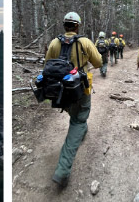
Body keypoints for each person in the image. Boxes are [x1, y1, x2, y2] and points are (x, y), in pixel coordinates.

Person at [45, 12, 104, 189]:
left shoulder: (55, 43)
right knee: (79, 120)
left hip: (62, 91)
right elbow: (99, 62)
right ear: (77, 26)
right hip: (81, 89)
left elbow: (47, 65)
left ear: (65, 25)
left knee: (75, 116)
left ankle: (82, 130)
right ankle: (63, 169)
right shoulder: (85, 42)